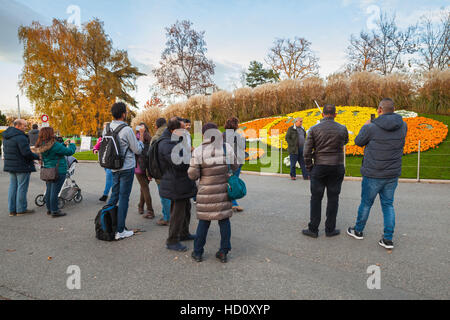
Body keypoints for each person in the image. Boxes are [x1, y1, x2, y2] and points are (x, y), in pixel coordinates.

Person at [347, 98, 407, 250]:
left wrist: (365, 126)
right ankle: (388, 239)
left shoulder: (371, 127)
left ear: (380, 109)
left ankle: (358, 230)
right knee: (388, 205)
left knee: (366, 203)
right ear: (393, 109)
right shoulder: (403, 126)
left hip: (373, 172)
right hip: (392, 173)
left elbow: (358, 142)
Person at [188, 122, 238, 263]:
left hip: (205, 191)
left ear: (203, 135)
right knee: (224, 220)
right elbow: (235, 166)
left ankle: (198, 252)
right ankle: (223, 252)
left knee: (204, 222)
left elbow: (192, 175)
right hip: (222, 190)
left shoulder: (198, 151)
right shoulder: (225, 147)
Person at [302, 104, 349, 238]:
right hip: (337, 165)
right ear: (335, 114)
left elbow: (307, 151)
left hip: (320, 166)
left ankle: (313, 229)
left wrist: (309, 167)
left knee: (316, 198)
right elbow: (345, 141)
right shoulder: (342, 128)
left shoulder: (313, 129)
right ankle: (330, 229)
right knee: (333, 198)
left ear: (322, 114)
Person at [103, 102, 145, 240]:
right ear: (123, 114)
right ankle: (120, 230)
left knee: (114, 195)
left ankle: (107, 223)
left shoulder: (107, 127)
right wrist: (142, 137)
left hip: (113, 166)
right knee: (123, 197)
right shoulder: (126, 130)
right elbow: (137, 149)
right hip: (126, 167)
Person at [158, 117, 197, 252]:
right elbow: (179, 163)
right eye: (182, 129)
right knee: (178, 212)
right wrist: (192, 158)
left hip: (181, 181)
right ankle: (172, 240)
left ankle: (184, 233)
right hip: (175, 182)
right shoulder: (166, 143)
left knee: (186, 208)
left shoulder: (174, 139)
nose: (185, 130)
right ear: (174, 130)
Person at [33, 127, 76, 218]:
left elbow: (56, 151)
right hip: (58, 170)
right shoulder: (54, 145)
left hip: (48, 170)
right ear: (50, 134)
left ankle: (49, 209)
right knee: (55, 192)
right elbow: (69, 152)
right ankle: (55, 211)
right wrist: (72, 144)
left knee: (49, 190)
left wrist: (63, 144)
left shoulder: (41, 144)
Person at [2, 119, 40, 216]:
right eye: (24, 125)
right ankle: (21, 209)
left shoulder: (6, 136)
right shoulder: (20, 137)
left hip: (11, 165)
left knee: (13, 187)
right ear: (18, 126)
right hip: (22, 165)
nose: (26, 127)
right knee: (22, 187)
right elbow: (26, 153)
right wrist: (37, 157)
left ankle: (12, 210)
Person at [223, 117, 246, 212]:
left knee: (227, 181)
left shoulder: (222, 135)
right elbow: (243, 146)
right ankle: (234, 203)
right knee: (233, 181)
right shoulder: (238, 135)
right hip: (237, 160)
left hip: (225, 160)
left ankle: (227, 202)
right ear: (235, 125)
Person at [151, 118, 171, 226]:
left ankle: (167, 217)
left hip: (160, 171)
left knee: (164, 196)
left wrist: (149, 172)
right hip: (173, 171)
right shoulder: (173, 135)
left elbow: (151, 157)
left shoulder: (156, 138)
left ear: (156, 126)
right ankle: (170, 215)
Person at [135, 122, 155, 219]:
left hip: (139, 167)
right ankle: (140, 206)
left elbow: (137, 149)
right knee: (144, 187)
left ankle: (150, 210)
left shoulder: (137, 137)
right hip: (148, 167)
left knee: (144, 188)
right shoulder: (151, 138)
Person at [93, 123, 113, 202]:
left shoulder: (113, 138)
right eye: (104, 128)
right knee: (111, 178)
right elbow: (96, 146)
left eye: (106, 128)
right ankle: (113, 193)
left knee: (109, 177)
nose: (105, 130)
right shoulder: (101, 138)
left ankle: (105, 194)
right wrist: (95, 149)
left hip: (111, 162)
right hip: (104, 161)